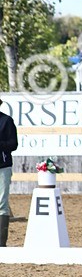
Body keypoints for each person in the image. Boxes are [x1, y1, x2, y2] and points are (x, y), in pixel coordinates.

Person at [0, 99, 18, 247]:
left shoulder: (6, 121)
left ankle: (1, 243)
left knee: (2, 203)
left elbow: (13, 144)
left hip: (3, 166)